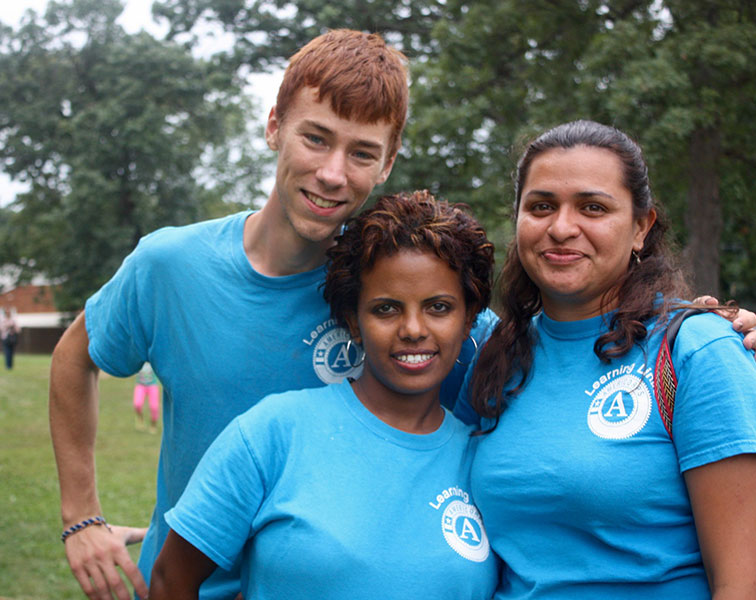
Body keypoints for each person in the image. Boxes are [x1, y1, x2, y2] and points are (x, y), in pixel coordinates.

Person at [48, 29, 409, 600]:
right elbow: (73, 356)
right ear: (274, 128)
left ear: (386, 164)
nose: (334, 173)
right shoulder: (171, 265)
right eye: (315, 138)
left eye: (362, 152)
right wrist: (81, 516)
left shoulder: (394, 289)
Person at [457, 120, 756, 598]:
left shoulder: (701, 353)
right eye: (541, 206)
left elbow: (746, 585)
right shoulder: (492, 359)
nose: (562, 228)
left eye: (593, 207)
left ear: (640, 228)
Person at [147, 191, 499, 599]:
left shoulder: (483, 460)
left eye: (438, 307)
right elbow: (171, 581)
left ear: (468, 317)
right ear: (353, 320)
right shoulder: (273, 434)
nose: (413, 329)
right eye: (386, 309)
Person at [132, 363, 160, 433]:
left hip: (152, 385)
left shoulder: (153, 358)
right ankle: (140, 419)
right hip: (140, 385)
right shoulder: (139, 358)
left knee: (154, 407)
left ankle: (153, 425)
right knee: (137, 404)